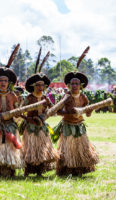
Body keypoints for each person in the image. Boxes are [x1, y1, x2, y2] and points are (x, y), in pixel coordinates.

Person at [55, 46, 99, 176]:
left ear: (81, 86)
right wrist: (70, 112)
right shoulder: (66, 97)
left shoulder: (83, 97)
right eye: (72, 83)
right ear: (69, 85)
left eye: (76, 84)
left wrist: (88, 111)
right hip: (68, 126)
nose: (74, 86)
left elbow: (88, 112)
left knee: (81, 149)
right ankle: (67, 168)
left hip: (79, 126)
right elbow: (58, 112)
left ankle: (80, 168)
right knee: (68, 150)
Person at [0, 42, 24, 177]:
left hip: (10, 126)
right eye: (0, 81)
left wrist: (16, 115)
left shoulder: (13, 95)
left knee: (9, 149)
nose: (3, 83)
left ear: (9, 83)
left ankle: (10, 169)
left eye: (5, 81)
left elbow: (17, 111)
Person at [21, 49, 59, 177]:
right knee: (30, 150)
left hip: (42, 127)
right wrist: (28, 120)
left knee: (42, 149)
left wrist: (45, 115)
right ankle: (27, 170)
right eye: (38, 85)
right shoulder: (29, 98)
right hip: (30, 128)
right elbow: (20, 111)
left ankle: (40, 172)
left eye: (42, 85)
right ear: (33, 86)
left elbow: (52, 109)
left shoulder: (45, 98)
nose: (40, 87)